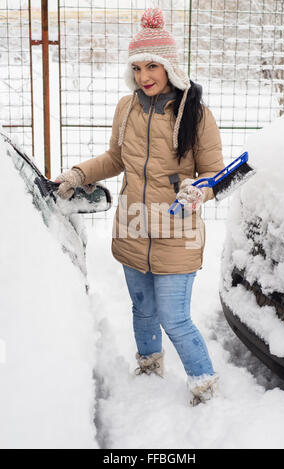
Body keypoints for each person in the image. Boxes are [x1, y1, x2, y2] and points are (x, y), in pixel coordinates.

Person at [55, 8, 225, 406]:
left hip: (176, 231)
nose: (144, 75)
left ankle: (204, 385)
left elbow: (216, 175)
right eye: (137, 67)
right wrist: (80, 174)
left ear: (170, 66)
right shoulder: (126, 108)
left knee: (175, 318)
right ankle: (149, 365)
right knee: (143, 308)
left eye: (153, 65)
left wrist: (199, 191)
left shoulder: (196, 114)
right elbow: (117, 158)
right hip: (132, 226)